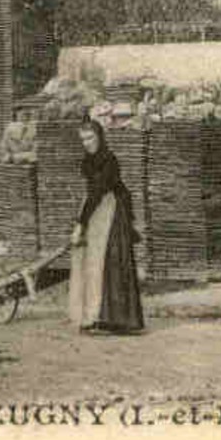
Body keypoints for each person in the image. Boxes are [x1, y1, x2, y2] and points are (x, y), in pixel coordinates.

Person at [68, 118, 144, 334]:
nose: (87, 143)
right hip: (97, 210)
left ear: (100, 136)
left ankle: (118, 319)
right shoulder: (88, 160)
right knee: (91, 260)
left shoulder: (109, 160)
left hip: (111, 212)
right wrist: (82, 221)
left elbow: (99, 191)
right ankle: (96, 315)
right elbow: (91, 194)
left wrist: (80, 225)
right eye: (83, 139)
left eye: (90, 137)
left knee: (110, 260)